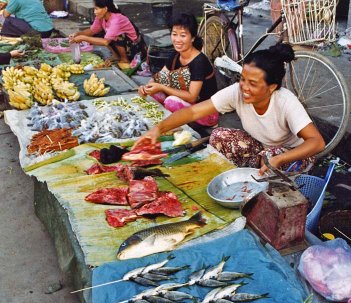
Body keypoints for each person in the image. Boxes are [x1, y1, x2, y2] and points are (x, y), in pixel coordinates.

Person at [135, 43, 325, 175]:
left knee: (269, 157)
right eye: (243, 79)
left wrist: (280, 159)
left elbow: (316, 143)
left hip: (293, 154)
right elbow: (193, 112)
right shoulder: (237, 91)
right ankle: (240, 175)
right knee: (218, 136)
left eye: (253, 83)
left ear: (272, 86)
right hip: (262, 147)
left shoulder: (285, 102)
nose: (244, 86)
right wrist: (158, 129)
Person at [139, 13, 219, 127]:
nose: (177, 40)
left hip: (206, 112)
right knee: (153, 93)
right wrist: (146, 88)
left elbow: (192, 96)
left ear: (192, 38)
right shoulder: (176, 55)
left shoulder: (199, 61)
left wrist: (162, 87)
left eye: (182, 35)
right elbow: (158, 78)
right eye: (174, 34)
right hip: (187, 104)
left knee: (170, 101)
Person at [69, 0, 145, 69]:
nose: (94, 12)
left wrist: (82, 38)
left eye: (96, 9)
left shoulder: (116, 20)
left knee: (117, 36)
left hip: (135, 48)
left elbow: (106, 42)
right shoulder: (101, 17)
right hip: (124, 46)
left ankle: (124, 59)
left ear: (105, 9)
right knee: (99, 34)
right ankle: (116, 56)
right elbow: (92, 31)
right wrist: (78, 34)